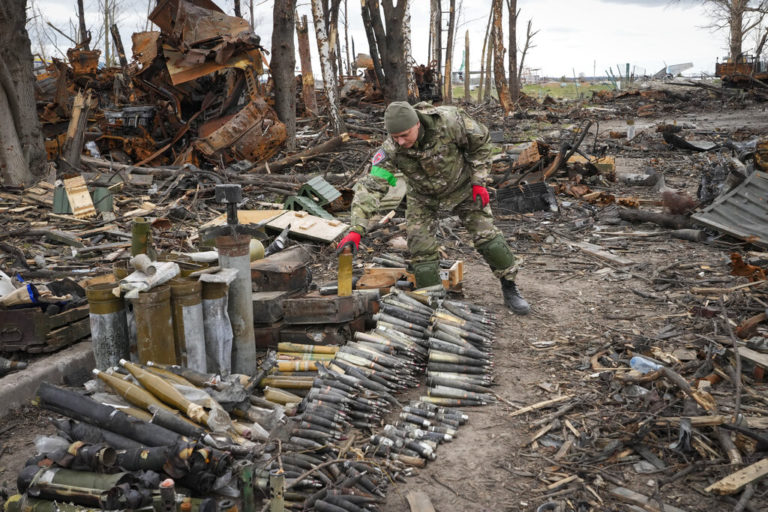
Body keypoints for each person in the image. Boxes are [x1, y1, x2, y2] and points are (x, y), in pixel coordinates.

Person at [336, 101, 530, 315]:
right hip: (422, 197)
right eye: (395, 137)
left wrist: (479, 181)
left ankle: (509, 286)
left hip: (463, 188)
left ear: (417, 124)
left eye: (404, 135)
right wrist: (356, 230)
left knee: (487, 238)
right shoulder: (391, 150)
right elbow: (372, 185)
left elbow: (482, 144)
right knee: (421, 249)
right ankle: (433, 300)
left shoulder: (450, 122)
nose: (400, 142)